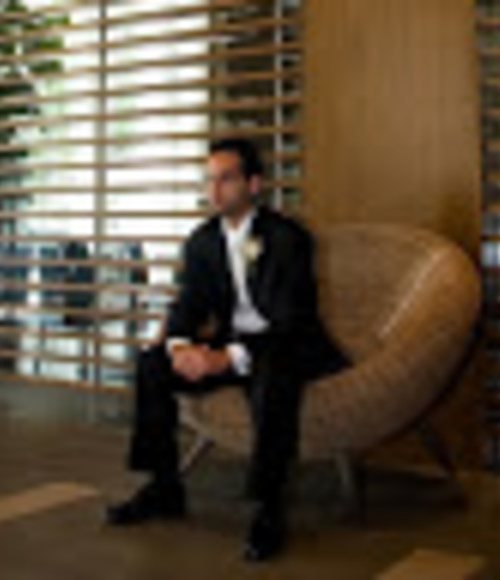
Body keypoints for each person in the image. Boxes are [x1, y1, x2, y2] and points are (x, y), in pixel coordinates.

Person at [105, 137, 350, 562]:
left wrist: (226, 357)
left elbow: (290, 321)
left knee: (272, 376)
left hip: (288, 345)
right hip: (234, 343)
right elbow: (188, 304)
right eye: (209, 180)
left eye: (226, 179)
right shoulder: (202, 241)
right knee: (151, 365)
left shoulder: (288, 238)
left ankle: (269, 508)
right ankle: (164, 487)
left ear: (254, 184)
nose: (214, 190)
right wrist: (180, 346)